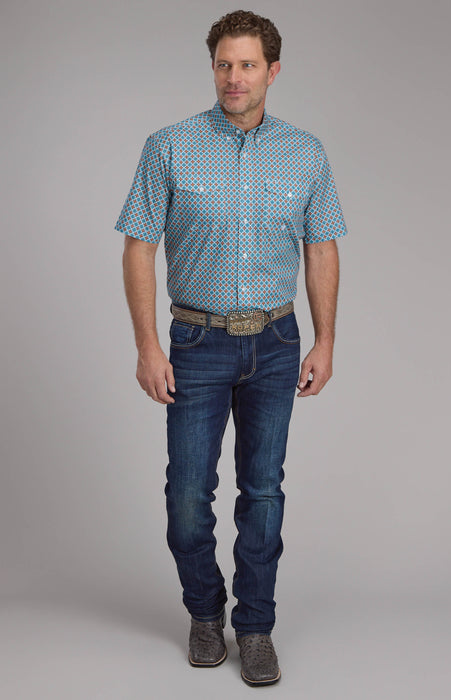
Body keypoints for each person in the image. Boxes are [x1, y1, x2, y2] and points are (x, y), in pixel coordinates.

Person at [115, 9, 347, 687]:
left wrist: (326, 340)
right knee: (188, 496)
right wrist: (147, 345)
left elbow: (321, 248)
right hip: (196, 341)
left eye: (247, 65)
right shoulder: (169, 146)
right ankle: (204, 612)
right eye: (223, 64)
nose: (233, 77)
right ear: (212, 68)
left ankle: (254, 627)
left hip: (276, 342)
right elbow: (138, 247)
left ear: (272, 71)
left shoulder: (305, 152)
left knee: (263, 492)